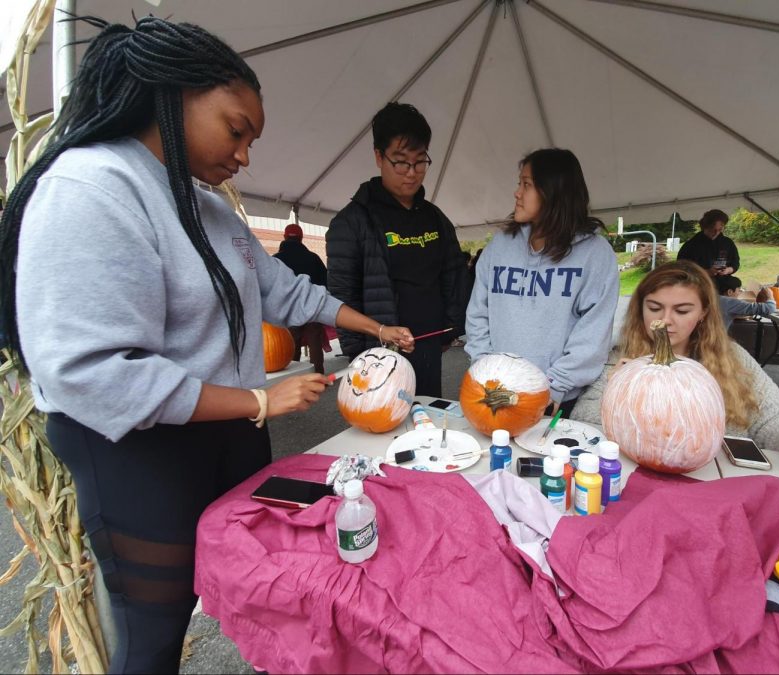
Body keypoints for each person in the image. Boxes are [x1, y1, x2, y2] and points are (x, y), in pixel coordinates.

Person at [0, 17, 414, 673]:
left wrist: (371, 327)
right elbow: (91, 371)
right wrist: (256, 397)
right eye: (236, 128)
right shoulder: (90, 186)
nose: (245, 155)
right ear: (173, 93)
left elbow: (283, 290)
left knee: (246, 587)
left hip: (230, 428)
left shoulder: (209, 206)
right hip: (141, 450)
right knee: (153, 636)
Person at [571, 261, 779, 459]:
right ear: (639, 307)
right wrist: (616, 392)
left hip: (719, 483)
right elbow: (582, 420)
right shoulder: (622, 355)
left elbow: (772, 418)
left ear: (703, 313)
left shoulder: (732, 358)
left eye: (682, 310)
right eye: (654, 308)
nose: (664, 321)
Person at [465, 148, 619, 418]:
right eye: (519, 184)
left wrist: (553, 387)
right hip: (493, 392)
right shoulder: (500, 245)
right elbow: (478, 313)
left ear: (553, 192)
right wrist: (485, 370)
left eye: (526, 185)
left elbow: (593, 335)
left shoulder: (595, 254)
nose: (517, 193)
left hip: (555, 399)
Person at [326, 102, 466, 396]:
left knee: (425, 426)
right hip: (380, 354)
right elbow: (342, 295)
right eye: (401, 162)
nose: (412, 173)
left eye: (420, 162)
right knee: (382, 430)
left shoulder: (435, 218)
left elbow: (453, 274)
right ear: (379, 156)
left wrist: (450, 327)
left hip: (429, 345)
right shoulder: (352, 221)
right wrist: (360, 358)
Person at [273, 223, 329, 373]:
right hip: (313, 307)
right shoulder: (313, 258)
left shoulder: (277, 259)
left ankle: (294, 379)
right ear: (301, 238)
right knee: (315, 344)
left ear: (284, 237)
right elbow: (326, 282)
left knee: (291, 346)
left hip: (289, 309)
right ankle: (318, 376)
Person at [676, 209, 740, 293]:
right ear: (705, 227)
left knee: (735, 282)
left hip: (721, 280)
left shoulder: (727, 243)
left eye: (720, 230)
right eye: (713, 229)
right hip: (698, 282)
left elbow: (735, 263)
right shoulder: (691, 245)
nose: (716, 233)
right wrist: (706, 272)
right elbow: (681, 269)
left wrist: (728, 270)